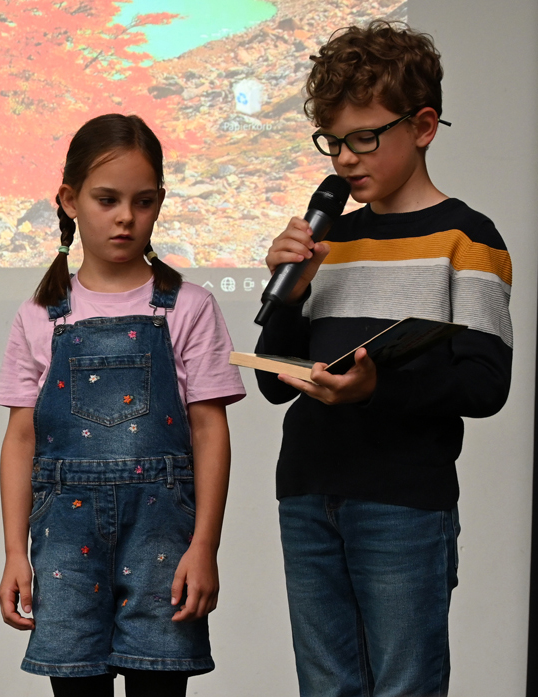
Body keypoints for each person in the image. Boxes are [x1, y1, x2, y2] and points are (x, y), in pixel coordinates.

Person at [254, 21, 512, 697]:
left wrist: (375, 390)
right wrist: (288, 295)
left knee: (404, 686)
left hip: (402, 500)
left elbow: (486, 384)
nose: (344, 158)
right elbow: (277, 385)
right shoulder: (327, 239)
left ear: (422, 126)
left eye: (363, 138)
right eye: (332, 141)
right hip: (307, 491)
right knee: (325, 687)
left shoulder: (467, 237)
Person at [0, 114, 245, 697]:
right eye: (107, 200)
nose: (126, 217)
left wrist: (205, 546)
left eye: (143, 201)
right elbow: (21, 439)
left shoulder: (190, 307)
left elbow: (210, 432)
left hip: (163, 544)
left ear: (160, 203)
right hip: (64, 546)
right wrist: (14, 553)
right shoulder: (39, 315)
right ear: (69, 200)